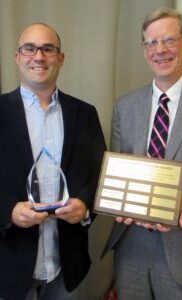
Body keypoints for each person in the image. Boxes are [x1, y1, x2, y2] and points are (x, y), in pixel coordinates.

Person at [103, 7, 182, 300]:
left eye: (169, 40)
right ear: (143, 49)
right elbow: (118, 168)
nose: (160, 50)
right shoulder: (124, 106)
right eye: (151, 43)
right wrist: (117, 204)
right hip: (131, 250)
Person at [0, 23, 106, 300]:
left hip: (66, 269)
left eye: (48, 49)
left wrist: (84, 206)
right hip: (8, 268)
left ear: (60, 58)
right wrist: (8, 211)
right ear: (17, 57)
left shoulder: (85, 114)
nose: (39, 56)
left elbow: (100, 177)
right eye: (29, 49)